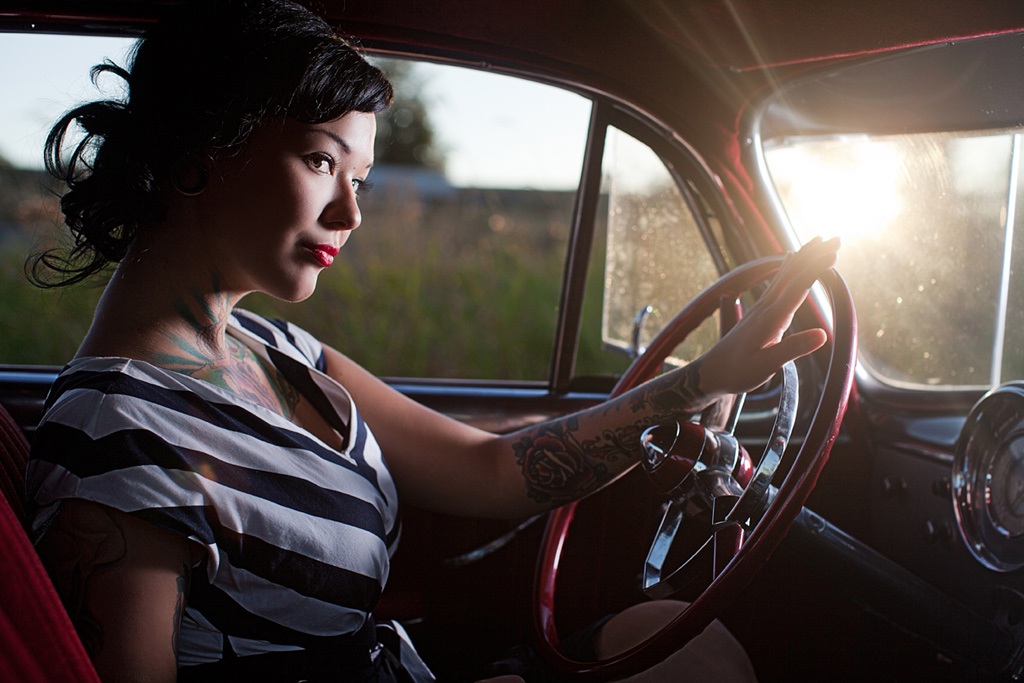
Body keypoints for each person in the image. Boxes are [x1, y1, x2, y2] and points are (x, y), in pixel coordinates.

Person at [24, 1, 840, 681]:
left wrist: (698, 383)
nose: (351, 215)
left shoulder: (278, 350)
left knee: (675, 636)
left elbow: (493, 469)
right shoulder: (118, 431)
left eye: (362, 181)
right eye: (320, 160)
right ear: (199, 152)